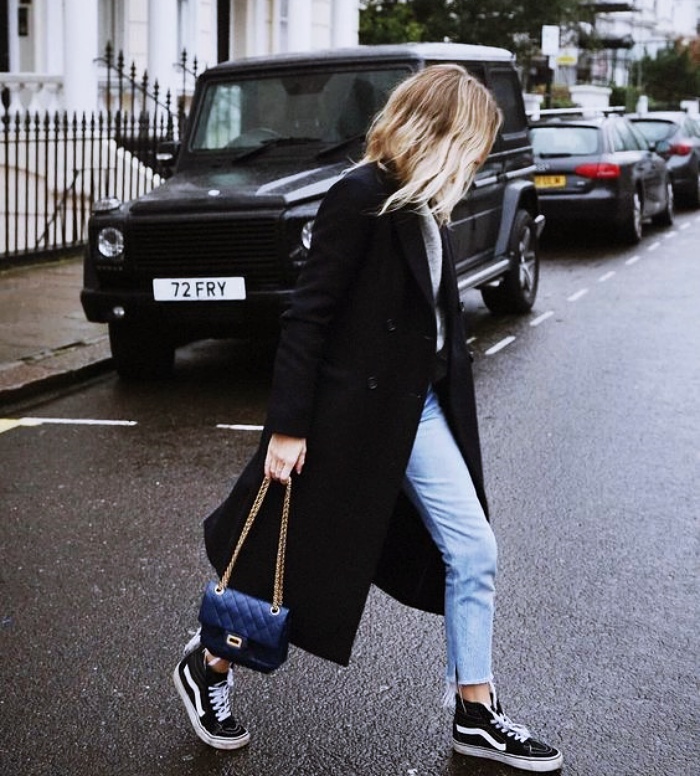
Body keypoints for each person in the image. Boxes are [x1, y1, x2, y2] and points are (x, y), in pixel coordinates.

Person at [173, 64, 563, 772]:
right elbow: (308, 315)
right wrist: (289, 426)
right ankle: (209, 667)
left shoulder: (424, 202)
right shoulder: (360, 196)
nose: (476, 161)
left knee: (474, 549)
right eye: (472, 144)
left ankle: (475, 710)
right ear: (440, 133)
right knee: (282, 553)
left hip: (422, 409)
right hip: (348, 416)